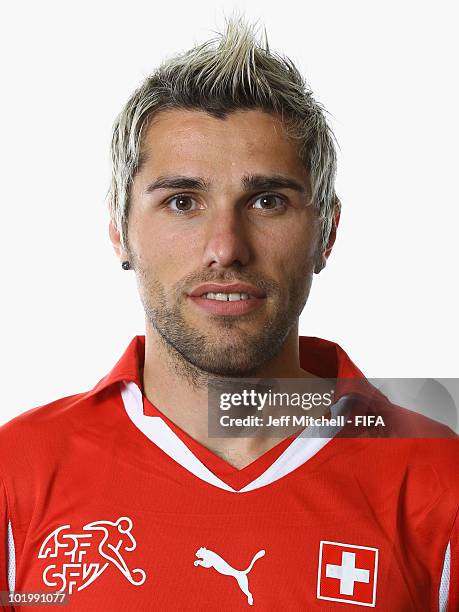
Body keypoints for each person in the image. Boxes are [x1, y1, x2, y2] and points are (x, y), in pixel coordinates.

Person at [0, 17, 458, 611]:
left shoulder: (437, 479)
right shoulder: (20, 475)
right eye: (182, 202)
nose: (225, 245)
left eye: (267, 201)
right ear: (118, 230)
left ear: (327, 232)